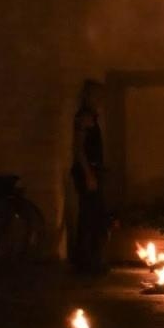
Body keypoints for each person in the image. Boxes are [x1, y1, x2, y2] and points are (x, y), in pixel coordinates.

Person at [70, 80, 109, 274]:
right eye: (97, 95)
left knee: (93, 215)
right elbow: (79, 149)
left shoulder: (92, 117)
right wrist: (88, 174)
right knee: (89, 215)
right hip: (88, 171)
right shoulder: (84, 117)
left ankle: (90, 260)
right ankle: (86, 261)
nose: (100, 99)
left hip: (94, 170)